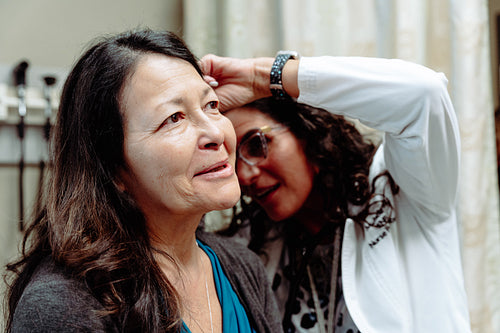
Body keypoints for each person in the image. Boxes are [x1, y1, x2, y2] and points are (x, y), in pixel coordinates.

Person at [4, 29, 281, 333]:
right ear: (112, 168)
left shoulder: (243, 267)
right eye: (174, 118)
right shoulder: (62, 305)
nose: (216, 134)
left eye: (211, 105)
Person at [199, 53, 472, 333]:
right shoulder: (256, 246)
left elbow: (424, 94)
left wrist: (261, 75)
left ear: (306, 132)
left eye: (257, 144)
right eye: (231, 159)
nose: (245, 176)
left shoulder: (403, 191)